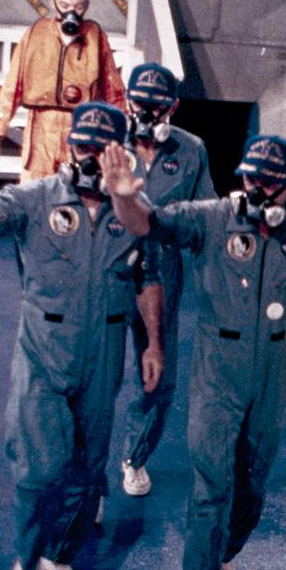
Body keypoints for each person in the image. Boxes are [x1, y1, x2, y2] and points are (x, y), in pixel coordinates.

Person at [100, 133, 286, 570]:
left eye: (268, 182)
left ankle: (220, 554)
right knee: (210, 486)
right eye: (249, 178)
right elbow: (150, 223)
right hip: (217, 367)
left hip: (270, 370)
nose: (256, 190)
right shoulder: (212, 218)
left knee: (252, 488)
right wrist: (125, 196)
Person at [0, 102, 163, 570]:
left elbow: (149, 274)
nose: (90, 156)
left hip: (104, 351)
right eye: (83, 145)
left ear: (119, 152)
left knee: (88, 466)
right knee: (38, 467)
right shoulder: (37, 199)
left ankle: (59, 553)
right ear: (69, 145)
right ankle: (28, 559)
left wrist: (154, 344)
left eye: (102, 148)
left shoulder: (132, 208)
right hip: (45, 350)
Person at [118, 62, 215, 500]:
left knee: (158, 372)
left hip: (162, 268)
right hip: (110, 264)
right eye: (140, 104)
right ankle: (84, 476)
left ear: (172, 107)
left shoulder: (191, 150)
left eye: (157, 107)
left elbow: (206, 216)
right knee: (93, 373)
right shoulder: (106, 143)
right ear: (127, 101)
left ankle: (134, 457)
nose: (147, 114)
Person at [0, 0, 125, 181]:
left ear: (87, 5)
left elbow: (114, 92)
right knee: (35, 192)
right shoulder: (35, 35)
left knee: (80, 190)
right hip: (41, 131)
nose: (71, 12)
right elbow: (11, 88)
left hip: (82, 129)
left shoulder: (95, 38)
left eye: (79, 7)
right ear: (52, 3)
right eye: (64, 5)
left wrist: (125, 137)